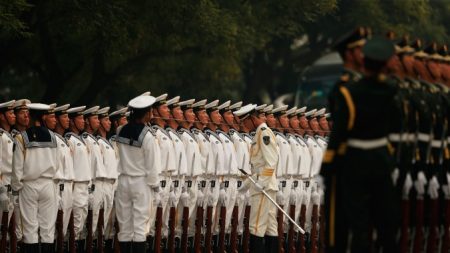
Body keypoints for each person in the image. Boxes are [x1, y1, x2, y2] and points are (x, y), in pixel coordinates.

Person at [321, 36, 401, 252]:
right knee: (385, 221)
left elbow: (339, 132)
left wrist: (328, 166)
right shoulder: (392, 92)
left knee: (358, 223)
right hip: (381, 161)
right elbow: (395, 130)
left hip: (354, 163)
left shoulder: (349, 92)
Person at [11, 103, 60, 253]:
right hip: (48, 184)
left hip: (29, 185)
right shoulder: (54, 137)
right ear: (44, 116)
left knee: (30, 230)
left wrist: (15, 190)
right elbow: (57, 165)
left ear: (30, 116)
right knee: (48, 230)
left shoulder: (21, 138)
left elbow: (17, 168)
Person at [115, 94, 161, 253]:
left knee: (125, 227)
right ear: (147, 113)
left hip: (123, 181)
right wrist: (155, 187)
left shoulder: (120, 130)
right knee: (140, 227)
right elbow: (152, 165)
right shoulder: (148, 135)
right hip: (141, 183)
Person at [236, 104, 280, 252]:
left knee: (256, 226)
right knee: (270, 226)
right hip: (266, 185)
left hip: (263, 188)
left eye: (244, 121)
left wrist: (261, 183)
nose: (243, 125)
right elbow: (259, 167)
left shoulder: (263, 133)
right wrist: (247, 183)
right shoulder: (260, 133)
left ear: (251, 118)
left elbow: (271, 161)